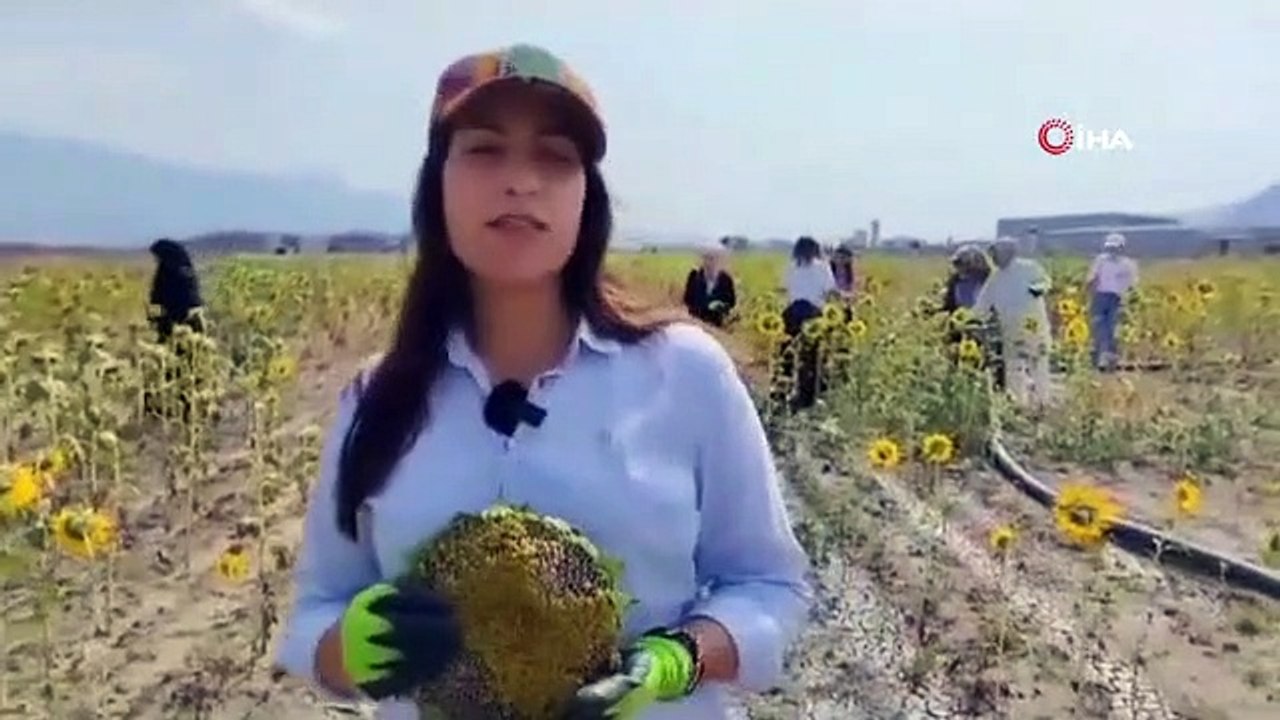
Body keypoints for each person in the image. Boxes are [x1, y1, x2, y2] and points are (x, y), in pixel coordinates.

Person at [273, 43, 812, 720]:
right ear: (436, 183)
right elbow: (316, 612)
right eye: (485, 150)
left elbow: (769, 584)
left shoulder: (685, 374)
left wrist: (682, 657)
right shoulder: (375, 402)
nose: (521, 181)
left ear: (587, 197)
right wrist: (347, 649)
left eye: (555, 157)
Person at [973, 237, 1053, 408]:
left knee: (1037, 360)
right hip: (1010, 325)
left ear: (1007, 253)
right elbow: (983, 303)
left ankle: (1042, 401)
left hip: (1032, 322)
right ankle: (1018, 404)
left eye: (996, 254)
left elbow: (1044, 283)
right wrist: (973, 318)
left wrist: (1032, 294)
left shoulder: (1029, 267)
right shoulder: (996, 277)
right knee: (1014, 364)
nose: (994, 259)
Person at [778, 236, 839, 410]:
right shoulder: (822, 267)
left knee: (787, 354)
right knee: (811, 357)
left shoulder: (790, 267)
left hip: (792, 313)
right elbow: (830, 292)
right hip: (813, 315)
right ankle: (807, 398)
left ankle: (783, 393)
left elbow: (782, 288)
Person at [1085, 232, 1139, 370]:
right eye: (1111, 247)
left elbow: (1132, 284)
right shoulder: (1101, 260)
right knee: (1098, 328)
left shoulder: (1128, 264)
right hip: (1100, 296)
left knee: (1114, 329)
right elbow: (1092, 278)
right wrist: (1088, 291)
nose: (1113, 250)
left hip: (1117, 298)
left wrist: (1128, 300)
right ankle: (1098, 360)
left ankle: (1111, 361)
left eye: (1116, 247)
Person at [147, 238, 204, 342]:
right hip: (171, 316)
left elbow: (190, 298)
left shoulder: (182, 273)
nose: (156, 259)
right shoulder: (166, 270)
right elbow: (156, 294)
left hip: (184, 317)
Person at [682, 246, 737, 326]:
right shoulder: (694, 276)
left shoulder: (726, 280)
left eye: (712, 259)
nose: (708, 262)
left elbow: (731, 303)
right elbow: (687, 299)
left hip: (717, 325)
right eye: (706, 258)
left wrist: (719, 306)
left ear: (717, 260)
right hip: (697, 324)